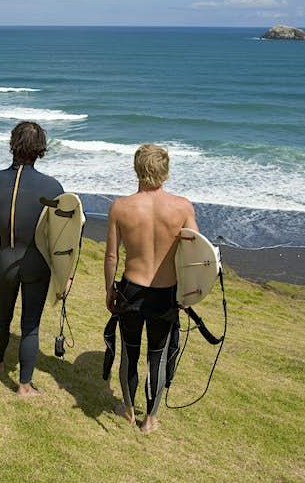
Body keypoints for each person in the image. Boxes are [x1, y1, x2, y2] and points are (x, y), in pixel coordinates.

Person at [104, 143, 197, 433]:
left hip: (130, 289)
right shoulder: (182, 207)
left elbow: (111, 256)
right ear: (165, 172)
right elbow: (197, 257)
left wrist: (110, 290)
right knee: (156, 357)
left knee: (130, 353)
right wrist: (190, 293)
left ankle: (129, 410)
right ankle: (150, 420)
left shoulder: (121, 207)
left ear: (137, 169)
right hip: (165, 293)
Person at [0, 121, 63, 396]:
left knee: (2, 316)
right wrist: (64, 276)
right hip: (37, 264)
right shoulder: (53, 187)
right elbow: (63, 238)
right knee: (30, 325)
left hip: (4, 261)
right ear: (40, 149)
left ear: (13, 144)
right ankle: (24, 386)